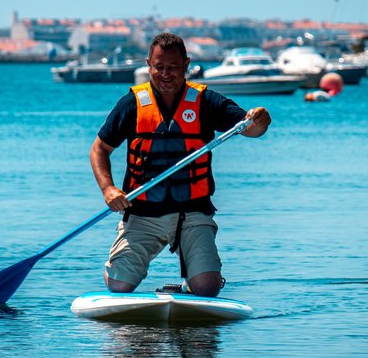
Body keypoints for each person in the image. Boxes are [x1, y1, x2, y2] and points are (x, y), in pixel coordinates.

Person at [90, 32, 271, 297]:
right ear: (149, 64)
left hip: (192, 213)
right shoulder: (132, 104)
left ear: (186, 65)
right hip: (143, 213)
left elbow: (250, 129)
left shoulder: (207, 101)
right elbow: (99, 149)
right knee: (119, 287)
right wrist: (108, 189)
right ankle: (117, 266)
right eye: (159, 67)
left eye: (173, 68)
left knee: (207, 289)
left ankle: (191, 283)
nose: (165, 74)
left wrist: (261, 120)